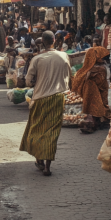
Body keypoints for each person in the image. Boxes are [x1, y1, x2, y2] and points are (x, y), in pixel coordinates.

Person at [19, 31, 71, 176]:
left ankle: (39, 160)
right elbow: (69, 77)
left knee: (36, 129)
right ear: (54, 40)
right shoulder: (64, 56)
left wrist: (37, 82)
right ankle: (47, 166)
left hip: (40, 98)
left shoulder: (37, 59)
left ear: (42, 42)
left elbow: (28, 81)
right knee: (52, 132)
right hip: (58, 97)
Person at [72, 46, 111, 133]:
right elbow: (101, 82)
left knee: (93, 107)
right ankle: (96, 122)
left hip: (91, 91)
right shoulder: (99, 69)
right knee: (98, 105)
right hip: (97, 90)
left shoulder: (85, 69)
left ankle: (94, 122)